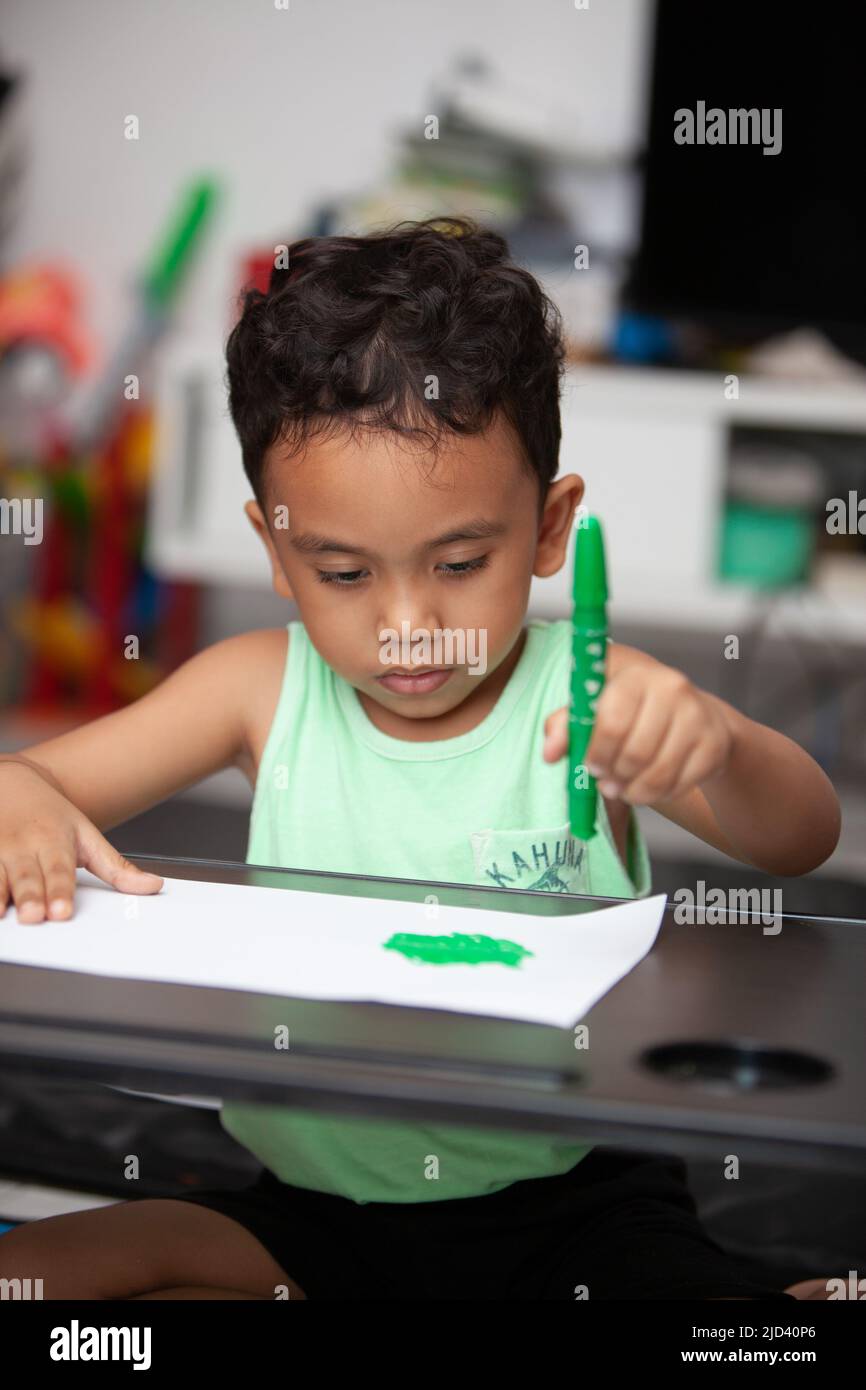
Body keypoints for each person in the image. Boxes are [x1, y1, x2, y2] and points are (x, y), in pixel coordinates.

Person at [0, 220, 841, 1299]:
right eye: (343, 573)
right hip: (311, 1218)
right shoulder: (256, 686)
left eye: (457, 562)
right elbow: (36, 779)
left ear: (546, 528)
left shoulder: (593, 694)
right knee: (37, 1275)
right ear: (276, 546)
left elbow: (799, 836)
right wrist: (24, 792)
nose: (407, 627)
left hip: (575, 1216)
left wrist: (714, 743)